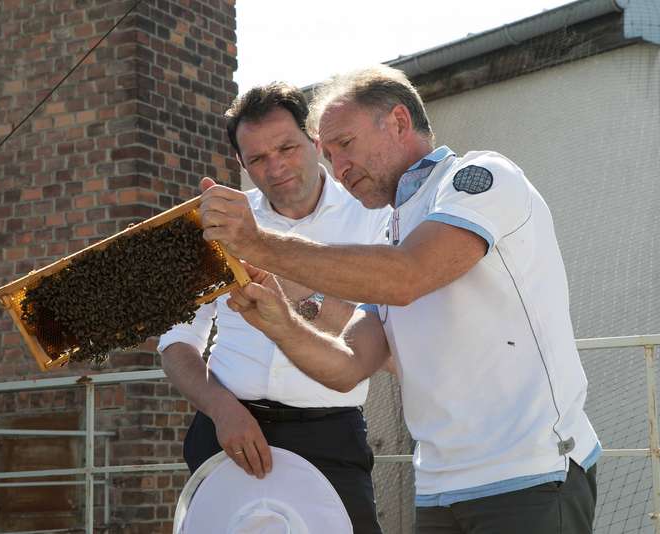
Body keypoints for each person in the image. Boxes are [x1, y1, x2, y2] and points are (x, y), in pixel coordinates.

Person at [199, 65, 601, 534]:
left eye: (344, 144)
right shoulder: (391, 232)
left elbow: (409, 277)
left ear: (398, 122)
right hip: (437, 487)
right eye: (327, 154)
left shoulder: (482, 176)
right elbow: (348, 363)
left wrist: (260, 244)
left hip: (529, 475)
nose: (338, 168)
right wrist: (280, 322)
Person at [158, 82, 390, 533]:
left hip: (329, 435)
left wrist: (302, 293)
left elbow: (386, 340)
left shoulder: (374, 216)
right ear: (241, 164)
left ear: (315, 141)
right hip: (227, 431)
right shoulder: (217, 225)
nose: (277, 166)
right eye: (258, 158)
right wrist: (221, 409)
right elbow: (176, 341)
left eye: (287, 147)